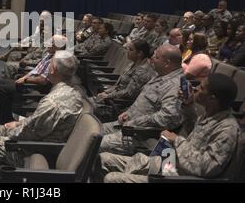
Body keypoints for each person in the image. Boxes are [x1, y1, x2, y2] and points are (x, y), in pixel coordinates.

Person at [97, 74, 240, 183]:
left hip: (176, 175)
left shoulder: (227, 129)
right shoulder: (209, 114)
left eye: (202, 88)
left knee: (112, 178)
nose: (196, 88)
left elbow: (206, 167)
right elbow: (192, 132)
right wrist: (188, 105)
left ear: (212, 99)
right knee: (103, 159)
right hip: (168, 162)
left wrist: (177, 140)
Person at [0, 50, 85, 182]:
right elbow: (39, 123)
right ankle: (2, 175)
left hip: (37, 149)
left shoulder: (52, 102)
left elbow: (29, 133)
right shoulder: (75, 92)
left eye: (50, 63)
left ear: (52, 70)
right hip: (47, 140)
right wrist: (18, 123)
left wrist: (11, 130)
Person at [98, 45, 184, 155]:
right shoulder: (161, 75)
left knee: (93, 144)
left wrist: (135, 122)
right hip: (126, 124)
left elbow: (167, 119)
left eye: (156, 57)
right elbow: (144, 103)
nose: (152, 58)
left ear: (167, 63)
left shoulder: (176, 86)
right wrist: (128, 113)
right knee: (90, 132)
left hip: (139, 135)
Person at [0, 35, 67, 126]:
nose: (48, 44)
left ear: (58, 46)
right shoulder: (48, 55)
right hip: (30, 80)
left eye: (52, 43)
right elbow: (35, 70)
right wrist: (24, 77)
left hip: (36, 87)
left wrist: (26, 79)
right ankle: (4, 118)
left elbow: (43, 80)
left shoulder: (56, 60)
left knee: (1, 89)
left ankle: (5, 121)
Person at [89, 40, 156, 123]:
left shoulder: (142, 70)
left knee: (87, 108)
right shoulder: (133, 63)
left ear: (139, 54)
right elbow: (118, 85)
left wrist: (108, 96)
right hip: (113, 98)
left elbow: (129, 93)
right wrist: (106, 92)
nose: (127, 51)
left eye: (130, 49)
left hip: (119, 105)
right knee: (86, 102)